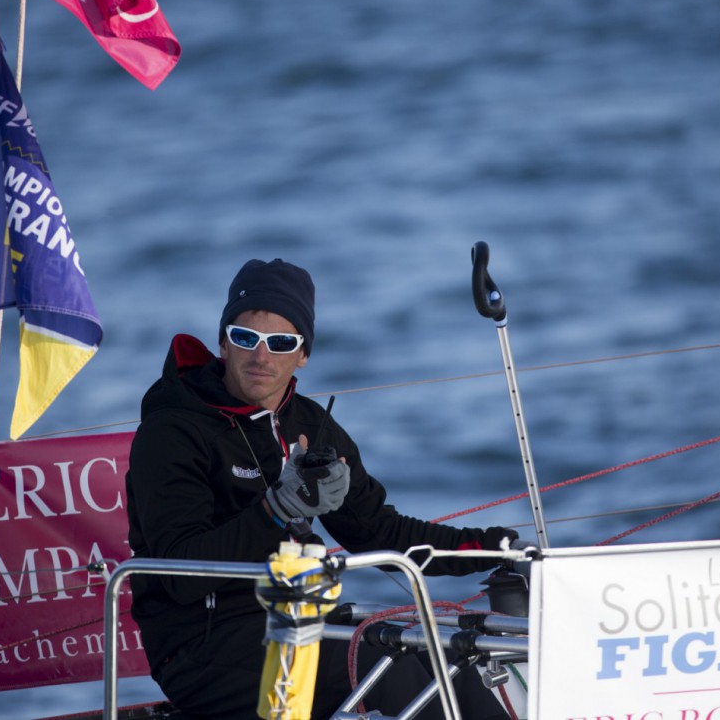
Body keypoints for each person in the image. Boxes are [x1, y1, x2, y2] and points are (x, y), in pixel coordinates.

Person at [125, 258, 518, 719]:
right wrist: (274, 512)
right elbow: (180, 574)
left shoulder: (311, 425)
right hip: (202, 644)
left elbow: (379, 532)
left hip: (301, 619)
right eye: (245, 338)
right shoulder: (172, 430)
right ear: (223, 344)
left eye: (281, 343)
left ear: (303, 354)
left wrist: (496, 549)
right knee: (399, 674)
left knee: (446, 660)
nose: (260, 356)